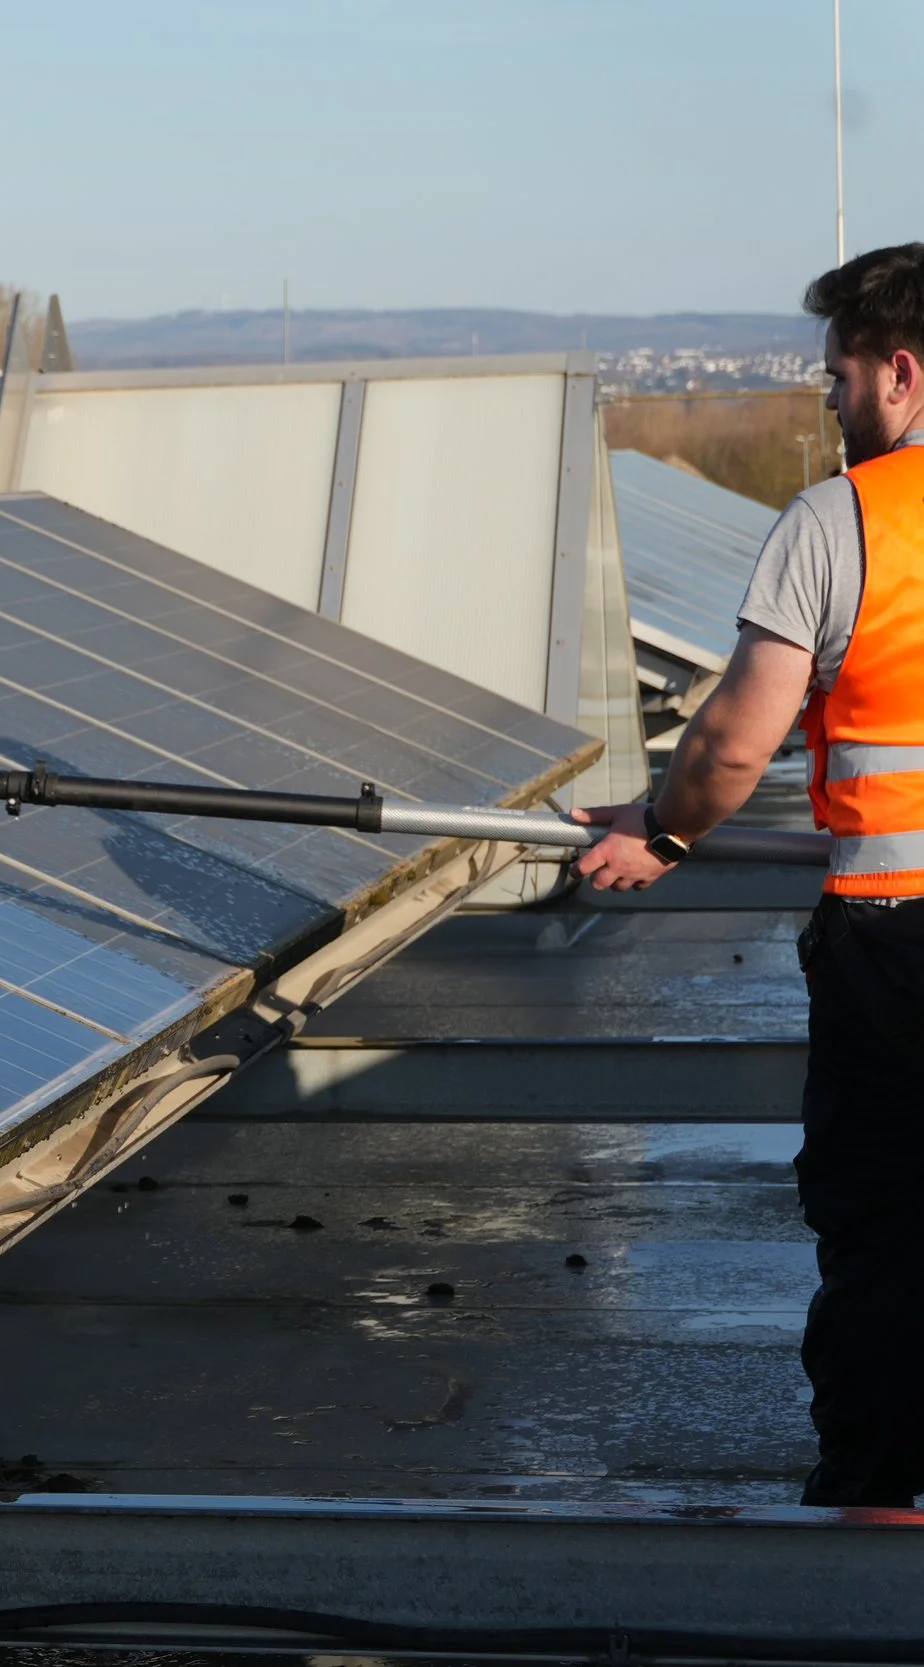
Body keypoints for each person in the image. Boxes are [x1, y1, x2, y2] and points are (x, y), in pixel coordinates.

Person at [576, 242, 924, 1506]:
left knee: (888, 1230)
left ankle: (882, 1516)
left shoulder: (842, 521)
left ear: (898, 374)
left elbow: (731, 740)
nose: (827, 403)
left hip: (899, 945)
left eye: (836, 377)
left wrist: (660, 834)